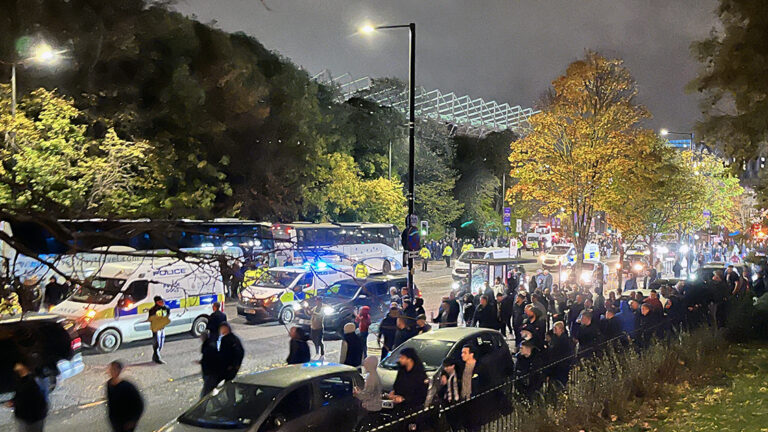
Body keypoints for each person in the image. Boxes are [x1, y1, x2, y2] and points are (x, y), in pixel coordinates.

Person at [5, 361, 47, 432]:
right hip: (28, 417)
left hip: (31, 418)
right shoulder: (23, 379)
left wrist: (14, 402)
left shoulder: (32, 381)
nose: (15, 367)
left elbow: (28, 397)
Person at [106, 361, 144, 432]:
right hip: (116, 423)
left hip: (126, 423)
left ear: (119, 371)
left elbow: (139, 404)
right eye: (111, 369)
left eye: (114, 369)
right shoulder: (109, 384)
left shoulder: (127, 387)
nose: (111, 371)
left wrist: (133, 421)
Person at [389, 347, 428, 413]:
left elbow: (420, 395)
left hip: (412, 409)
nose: (400, 360)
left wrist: (404, 399)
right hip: (398, 407)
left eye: (402, 358)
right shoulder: (402, 371)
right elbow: (397, 385)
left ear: (409, 359)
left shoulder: (420, 375)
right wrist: (393, 392)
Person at [354, 356, 383, 429]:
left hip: (371, 408)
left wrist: (356, 393)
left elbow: (366, 395)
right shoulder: (373, 376)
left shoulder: (371, 378)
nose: (364, 365)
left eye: (366, 363)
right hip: (373, 408)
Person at [546, 321, 574, 387]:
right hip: (554, 363)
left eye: (556, 328)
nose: (554, 330)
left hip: (561, 365)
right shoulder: (554, 338)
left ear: (561, 329)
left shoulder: (565, 340)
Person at [147, 296, 171, 364]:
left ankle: (155, 356)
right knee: (157, 344)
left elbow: (168, 315)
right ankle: (157, 358)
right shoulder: (153, 310)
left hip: (162, 328)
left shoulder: (166, 308)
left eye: (163, 301)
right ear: (157, 302)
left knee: (161, 344)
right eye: (160, 302)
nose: (162, 303)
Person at [199, 332, 220, 398]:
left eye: (201, 337)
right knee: (209, 388)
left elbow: (208, 359)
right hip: (208, 372)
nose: (200, 338)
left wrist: (201, 362)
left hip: (209, 372)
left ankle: (202, 404)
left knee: (205, 392)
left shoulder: (208, 346)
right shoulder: (208, 345)